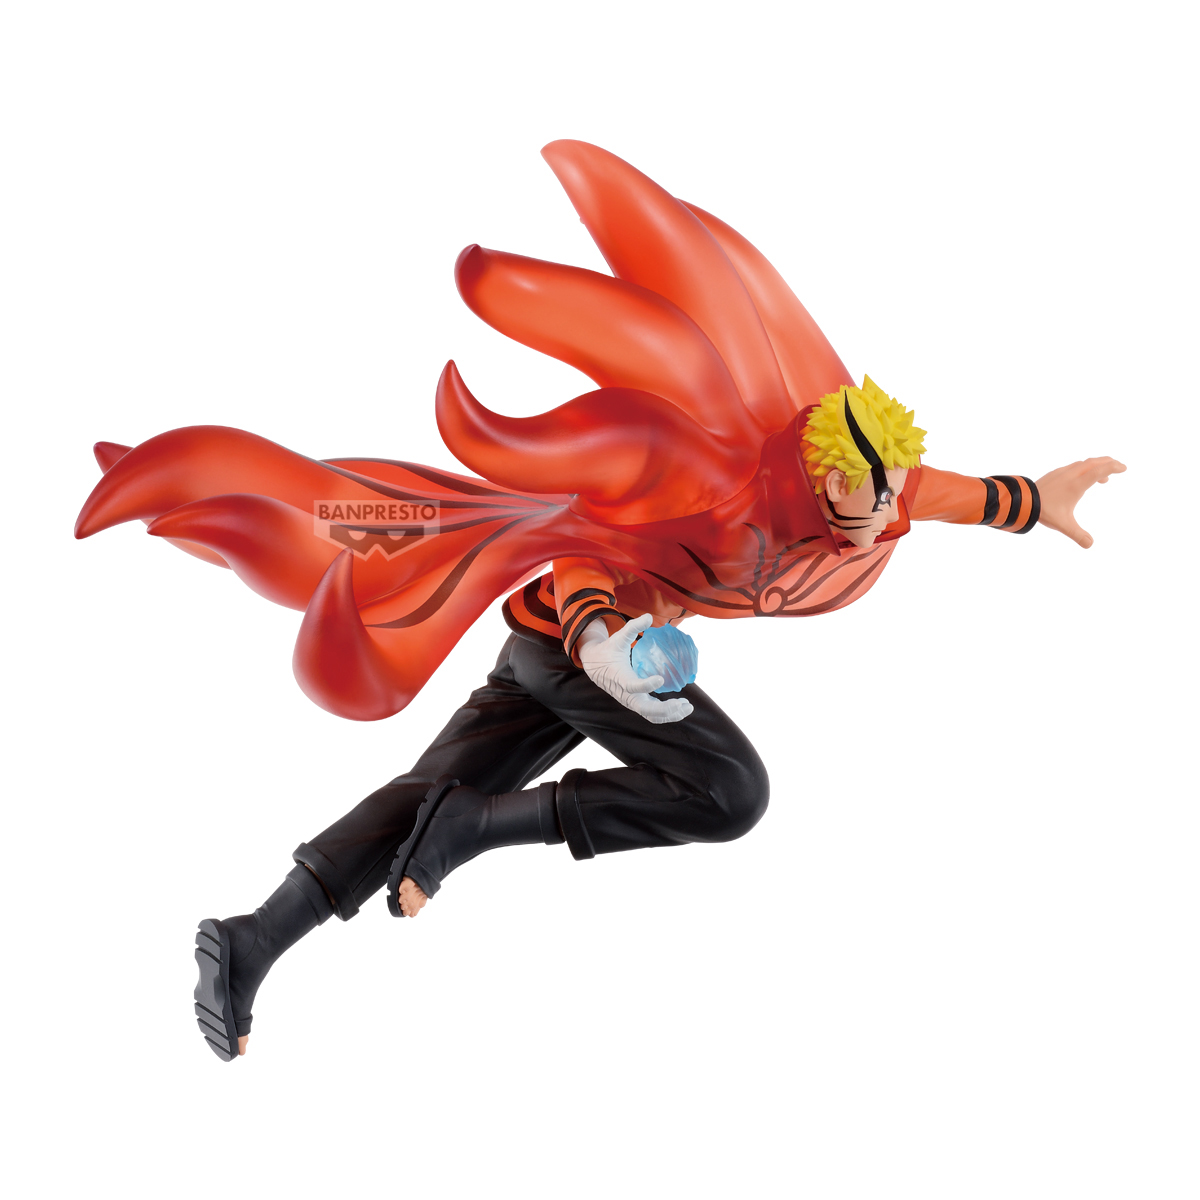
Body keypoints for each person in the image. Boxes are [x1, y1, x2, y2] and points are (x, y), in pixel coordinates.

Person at [74, 141, 1124, 1061]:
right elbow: (586, 549)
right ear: (818, 472)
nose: (886, 509)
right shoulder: (724, 496)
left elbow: (952, 495)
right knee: (729, 791)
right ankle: (477, 829)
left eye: (892, 487)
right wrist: (603, 641)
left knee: (420, 796)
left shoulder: (877, 505)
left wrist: (1037, 500)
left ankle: (252, 937)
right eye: (867, 488)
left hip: (558, 655)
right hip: (580, 644)